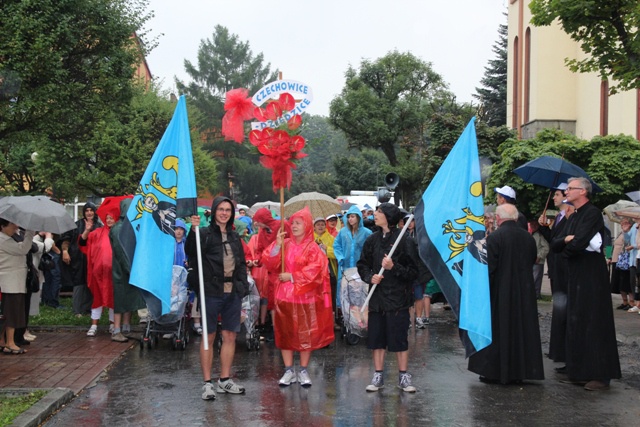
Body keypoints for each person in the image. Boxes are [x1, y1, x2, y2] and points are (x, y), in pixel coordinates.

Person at [554, 177, 621, 391]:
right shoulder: (574, 215)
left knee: (594, 321)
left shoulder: (592, 213)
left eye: (570, 188)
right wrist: (566, 242)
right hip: (577, 273)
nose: (566, 192)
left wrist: (566, 245)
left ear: (582, 191)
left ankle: (600, 374)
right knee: (578, 321)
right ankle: (580, 371)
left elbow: (579, 242)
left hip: (591, 275)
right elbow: (557, 241)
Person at [467, 204, 544, 384]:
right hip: (524, 291)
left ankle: (495, 371)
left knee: (500, 331)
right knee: (521, 330)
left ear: (498, 218)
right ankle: (520, 371)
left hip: (500, 291)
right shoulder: (528, 237)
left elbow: (489, 267)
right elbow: (533, 259)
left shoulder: (495, 237)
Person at [262, 207, 334, 387]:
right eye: (292, 222)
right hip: (284, 296)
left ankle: (302, 369)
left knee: (305, 334)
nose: (293, 226)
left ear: (307, 225)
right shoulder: (285, 244)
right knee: (285, 333)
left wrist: (293, 277)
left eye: (298, 223)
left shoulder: (313, 248)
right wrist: (277, 245)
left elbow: (316, 271)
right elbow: (269, 262)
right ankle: (288, 370)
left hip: (306, 298)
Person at [186, 196, 249, 401]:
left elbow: (241, 263)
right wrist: (193, 230)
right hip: (210, 292)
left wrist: (241, 286)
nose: (224, 213)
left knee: (230, 336)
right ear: (214, 212)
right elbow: (191, 252)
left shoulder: (234, 236)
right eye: (221, 209)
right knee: (209, 337)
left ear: (232, 214)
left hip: (232, 293)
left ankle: (224, 379)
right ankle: (207, 383)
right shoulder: (203, 234)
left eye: (228, 210)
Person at [357, 203, 424, 393]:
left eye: (379, 212)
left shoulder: (405, 241)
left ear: (388, 216)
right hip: (377, 298)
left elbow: (413, 272)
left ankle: (403, 375)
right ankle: (378, 375)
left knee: (399, 338)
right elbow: (362, 264)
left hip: (398, 299)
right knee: (376, 339)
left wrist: (394, 267)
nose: (375, 215)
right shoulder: (372, 240)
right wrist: (370, 276)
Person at [80, 198, 120, 338]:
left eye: (111, 218)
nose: (109, 220)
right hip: (98, 272)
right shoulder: (96, 233)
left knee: (112, 299)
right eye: (107, 218)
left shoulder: (119, 233)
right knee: (97, 298)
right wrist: (87, 230)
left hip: (113, 273)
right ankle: (94, 324)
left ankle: (111, 324)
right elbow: (83, 242)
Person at [543, 198, 575, 364]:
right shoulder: (559, 218)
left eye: (557, 193)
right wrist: (544, 228)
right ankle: (558, 351)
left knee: (564, 310)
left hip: (564, 269)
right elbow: (553, 241)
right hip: (556, 268)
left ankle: (563, 352)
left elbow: (562, 242)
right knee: (559, 310)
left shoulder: (571, 218)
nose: (554, 197)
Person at [109, 197, 145, 342]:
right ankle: (117, 330)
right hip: (121, 271)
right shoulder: (118, 228)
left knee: (129, 298)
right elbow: (121, 251)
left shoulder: (129, 226)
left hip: (129, 269)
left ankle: (126, 328)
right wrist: (131, 270)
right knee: (120, 300)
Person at [59, 202, 101, 316]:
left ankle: (88, 308)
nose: (89, 213)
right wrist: (65, 251)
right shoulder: (76, 225)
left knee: (91, 283)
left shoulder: (99, 226)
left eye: (91, 210)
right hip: (78, 258)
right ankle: (77, 310)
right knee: (79, 283)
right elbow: (67, 239)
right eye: (87, 210)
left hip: (93, 259)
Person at [0, 218, 35, 354]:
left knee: (8, 313)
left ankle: (3, 341)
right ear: (3, 226)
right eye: (12, 224)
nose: (16, 227)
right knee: (11, 313)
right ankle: (10, 342)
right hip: (10, 282)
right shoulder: (3, 240)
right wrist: (30, 231)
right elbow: (23, 249)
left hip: (13, 281)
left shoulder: (7, 239)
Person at [333, 206, 372, 317]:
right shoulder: (343, 232)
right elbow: (337, 245)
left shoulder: (367, 233)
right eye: (349, 217)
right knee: (345, 291)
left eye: (353, 216)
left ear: (358, 218)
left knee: (359, 292)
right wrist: (340, 257)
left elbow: (371, 249)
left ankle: (360, 318)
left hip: (360, 269)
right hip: (345, 268)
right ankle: (345, 317)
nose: (350, 219)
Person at [313, 217, 338, 318]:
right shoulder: (309, 238)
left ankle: (331, 319)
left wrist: (327, 249)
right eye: (318, 224)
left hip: (329, 272)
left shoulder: (331, 238)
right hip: (314, 273)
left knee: (330, 296)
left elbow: (337, 253)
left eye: (322, 224)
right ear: (314, 227)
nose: (320, 226)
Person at [610, 217, 634, 309]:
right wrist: (610, 257)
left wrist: (626, 231)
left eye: (625, 223)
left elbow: (628, 242)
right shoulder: (620, 233)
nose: (622, 225)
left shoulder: (629, 233)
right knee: (619, 282)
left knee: (626, 282)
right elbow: (612, 245)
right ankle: (624, 301)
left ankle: (631, 302)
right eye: (622, 223)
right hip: (617, 260)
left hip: (625, 261)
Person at [529, 220, 550, 299]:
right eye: (532, 224)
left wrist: (539, 256)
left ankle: (536, 295)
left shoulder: (539, 235)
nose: (532, 226)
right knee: (534, 278)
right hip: (533, 260)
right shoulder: (532, 235)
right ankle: (534, 295)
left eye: (534, 224)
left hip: (538, 260)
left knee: (536, 279)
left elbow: (546, 247)